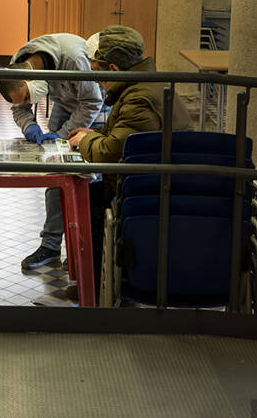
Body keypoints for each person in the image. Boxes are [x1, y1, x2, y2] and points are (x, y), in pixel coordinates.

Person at [66, 25, 193, 295]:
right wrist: (92, 133)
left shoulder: (138, 97)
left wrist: (85, 141)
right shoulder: (144, 86)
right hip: (159, 180)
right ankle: (94, 281)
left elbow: (111, 151)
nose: (98, 81)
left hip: (149, 190)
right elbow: (124, 134)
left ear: (112, 69)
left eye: (97, 72)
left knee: (90, 204)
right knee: (88, 197)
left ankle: (97, 288)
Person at [0, 33, 107, 270]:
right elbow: (19, 107)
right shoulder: (18, 66)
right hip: (66, 102)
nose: (27, 100)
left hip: (93, 107)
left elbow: (92, 102)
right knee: (56, 174)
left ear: (33, 81)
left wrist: (63, 135)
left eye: (28, 96)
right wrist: (30, 127)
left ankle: (85, 248)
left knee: (87, 177)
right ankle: (51, 245)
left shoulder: (74, 59)